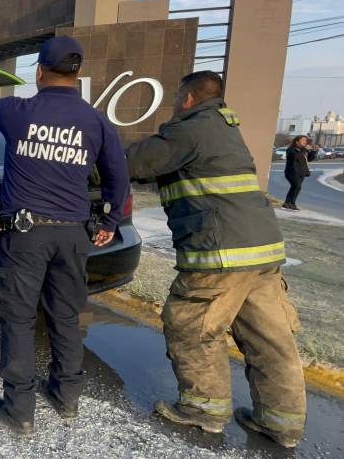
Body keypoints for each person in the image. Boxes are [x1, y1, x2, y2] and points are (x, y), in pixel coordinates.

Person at [0, 36, 129, 435]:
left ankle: (20, 411)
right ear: (78, 73)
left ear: (38, 71)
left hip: (27, 235)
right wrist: (109, 222)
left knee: (17, 319)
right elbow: (119, 176)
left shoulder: (19, 111)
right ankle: (66, 398)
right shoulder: (96, 120)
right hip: (73, 236)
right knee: (65, 315)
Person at [125, 71, 306, 448]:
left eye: (176, 99)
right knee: (270, 339)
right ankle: (281, 424)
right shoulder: (225, 127)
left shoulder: (192, 127)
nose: (174, 106)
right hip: (262, 253)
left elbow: (137, 163)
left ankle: (203, 411)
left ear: (187, 99)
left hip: (219, 254)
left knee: (192, 325)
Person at [282, 135, 318, 211]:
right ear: (297, 142)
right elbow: (294, 156)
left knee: (294, 187)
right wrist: (303, 150)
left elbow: (309, 159)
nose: (304, 142)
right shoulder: (291, 149)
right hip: (292, 172)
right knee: (297, 187)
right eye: (302, 140)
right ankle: (292, 203)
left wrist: (314, 151)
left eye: (305, 141)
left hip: (302, 172)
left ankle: (286, 203)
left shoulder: (304, 150)